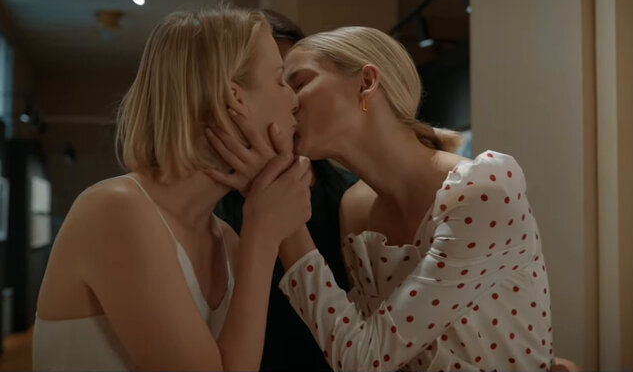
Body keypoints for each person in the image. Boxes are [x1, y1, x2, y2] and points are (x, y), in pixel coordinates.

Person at [207, 26, 557, 371]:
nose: (289, 101)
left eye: (299, 84)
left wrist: (280, 215)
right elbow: (354, 342)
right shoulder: (355, 208)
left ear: (366, 82)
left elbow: (365, 359)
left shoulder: (483, 188)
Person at [32, 5, 311, 371]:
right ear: (234, 97)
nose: (294, 99)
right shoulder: (116, 211)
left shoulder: (225, 240)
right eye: (280, 80)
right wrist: (262, 235)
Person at [213, 9, 357, 371]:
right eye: (278, 82)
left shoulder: (351, 196)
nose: (292, 100)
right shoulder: (211, 203)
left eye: (297, 82)